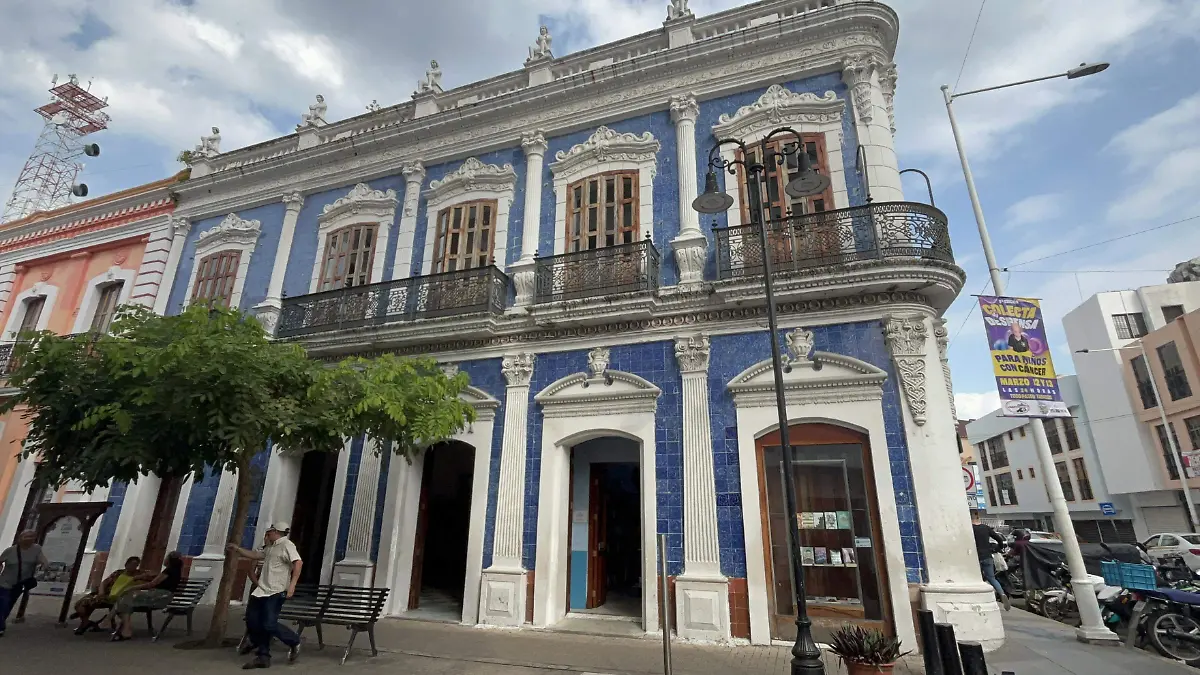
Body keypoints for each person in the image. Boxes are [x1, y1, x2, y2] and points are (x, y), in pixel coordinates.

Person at [227, 522, 302, 669]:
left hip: (276, 591)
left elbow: (298, 563)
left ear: (276, 532)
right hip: (261, 591)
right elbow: (255, 555)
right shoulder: (271, 547)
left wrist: (292, 585)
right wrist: (237, 549)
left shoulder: (287, 545)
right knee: (252, 621)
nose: (267, 535)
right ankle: (262, 655)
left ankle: (293, 641)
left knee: (268, 624)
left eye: (269, 532)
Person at [110, 552, 183, 641]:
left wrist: (132, 588)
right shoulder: (175, 571)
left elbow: (152, 584)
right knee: (125, 600)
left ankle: (121, 626)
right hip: (161, 596)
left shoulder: (168, 571)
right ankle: (125, 628)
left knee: (125, 598)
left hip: (160, 596)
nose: (164, 559)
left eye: (166, 557)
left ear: (170, 560)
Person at [72, 556, 145, 635]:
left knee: (119, 606)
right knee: (80, 605)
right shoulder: (118, 573)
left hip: (121, 597)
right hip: (106, 594)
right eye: (131, 564)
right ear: (126, 564)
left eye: (135, 565)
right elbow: (104, 583)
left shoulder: (139, 575)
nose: (133, 567)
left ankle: (87, 624)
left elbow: (150, 579)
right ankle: (86, 622)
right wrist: (101, 593)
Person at [0, 530, 47, 637]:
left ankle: (1, 623)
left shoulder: (36, 549)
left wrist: (44, 566)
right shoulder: (10, 551)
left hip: (20, 583)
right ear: (20, 538)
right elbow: (0, 562)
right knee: (3, 603)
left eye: (31, 536)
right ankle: (1, 627)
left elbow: (42, 560)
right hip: (4, 582)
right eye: (26, 536)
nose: (29, 538)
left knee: (9, 605)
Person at [971, 511, 1011, 610]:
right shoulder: (986, 528)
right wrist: (997, 549)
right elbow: (999, 539)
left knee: (976, 579)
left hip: (975, 557)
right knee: (992, 578)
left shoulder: (970, 529)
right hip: (987, 556)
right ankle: (1001, 593)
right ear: (978, 517)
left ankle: (979, 597)